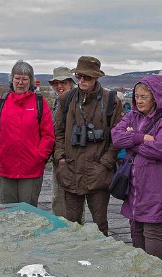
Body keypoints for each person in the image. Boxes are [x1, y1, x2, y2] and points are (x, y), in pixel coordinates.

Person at [53, 56, 124, 236]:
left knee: (100, 225)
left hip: (99, 173)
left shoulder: (111, 101)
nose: (82, 80)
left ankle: (102, 262)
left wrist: (106, 164)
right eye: (79, 76)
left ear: (96, 78)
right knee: (72, 226)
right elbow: (58, 132)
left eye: (87, 77)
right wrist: (61, 159)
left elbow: (118, 137)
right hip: (70, 169)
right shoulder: (66, 100)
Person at [111, 75, 162, 259]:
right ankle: (140, 272)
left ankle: (155, 274)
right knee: (136, 229)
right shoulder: (132, 115)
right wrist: (141, 138)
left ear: (156, 97)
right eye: (137, 97)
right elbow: (116, 137)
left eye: (144, 97)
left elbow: (160, 149)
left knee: (152, 231)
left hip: (157, 188)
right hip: (136, 186)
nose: (139, 101)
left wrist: (131, 140)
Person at [0, 61, 54, 207]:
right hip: (6, 166)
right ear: (12, 79)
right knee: (7, 212)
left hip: (31, 169)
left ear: (31, 81)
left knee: (28, 213)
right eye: (17, 78)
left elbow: (48, 135)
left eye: (24, 79)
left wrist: (39, 156)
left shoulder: (39, 103)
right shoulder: (1, 102)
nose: (20, 82)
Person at [48, 67, 77, 218]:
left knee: (72, 202)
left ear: (71, 83)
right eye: (56, 83)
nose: (60, 86)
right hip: (59, 157)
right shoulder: (59, 101)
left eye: (64, 82)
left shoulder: (76, 102)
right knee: (58, 198)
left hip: (72, 158)